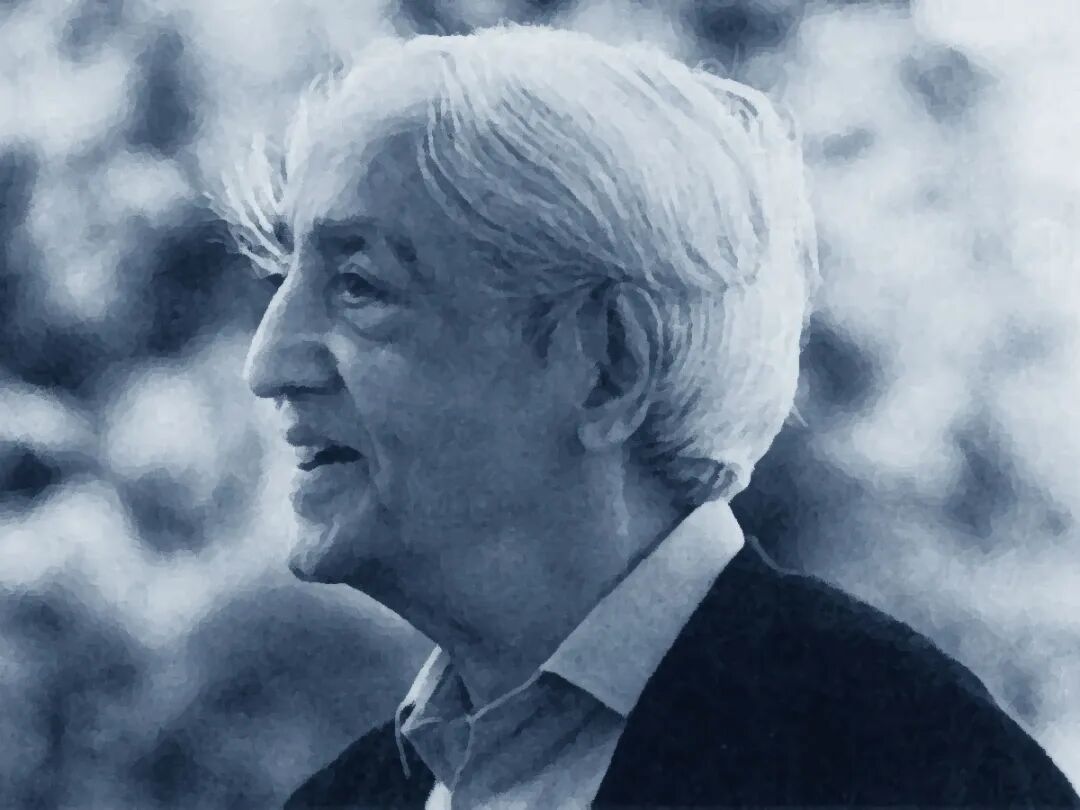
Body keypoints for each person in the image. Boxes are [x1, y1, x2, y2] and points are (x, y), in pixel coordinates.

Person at [217, 24, 1079, 809]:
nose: (267, 363)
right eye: (285, 281)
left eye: (360, 287)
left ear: (610, 367)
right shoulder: (346, 799)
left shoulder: (914, 771)